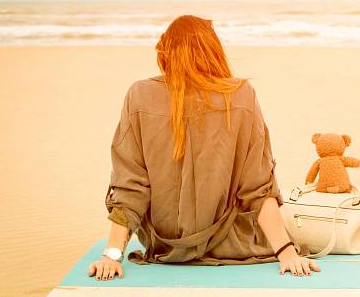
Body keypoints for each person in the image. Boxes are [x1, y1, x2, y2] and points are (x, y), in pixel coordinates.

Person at [87, 15, 321, 281]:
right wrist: (286, 251)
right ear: (213, 50)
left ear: (165, 53)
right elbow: (257, 187)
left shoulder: (139, 94)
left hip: (165, 247)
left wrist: (112, 255)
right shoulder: (241, 94)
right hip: (231, 245)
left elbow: (131, 187)